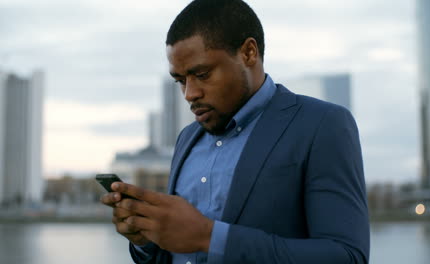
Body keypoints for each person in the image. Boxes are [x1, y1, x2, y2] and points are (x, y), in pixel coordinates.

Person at [100, 0, 370, 263]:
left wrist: (208, 236)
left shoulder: (322, 124)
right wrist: (147, 240)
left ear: (249, 53)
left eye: (202, 74)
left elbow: (346, 256)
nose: (189, 94)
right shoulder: (187, 138)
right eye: (181, 81)